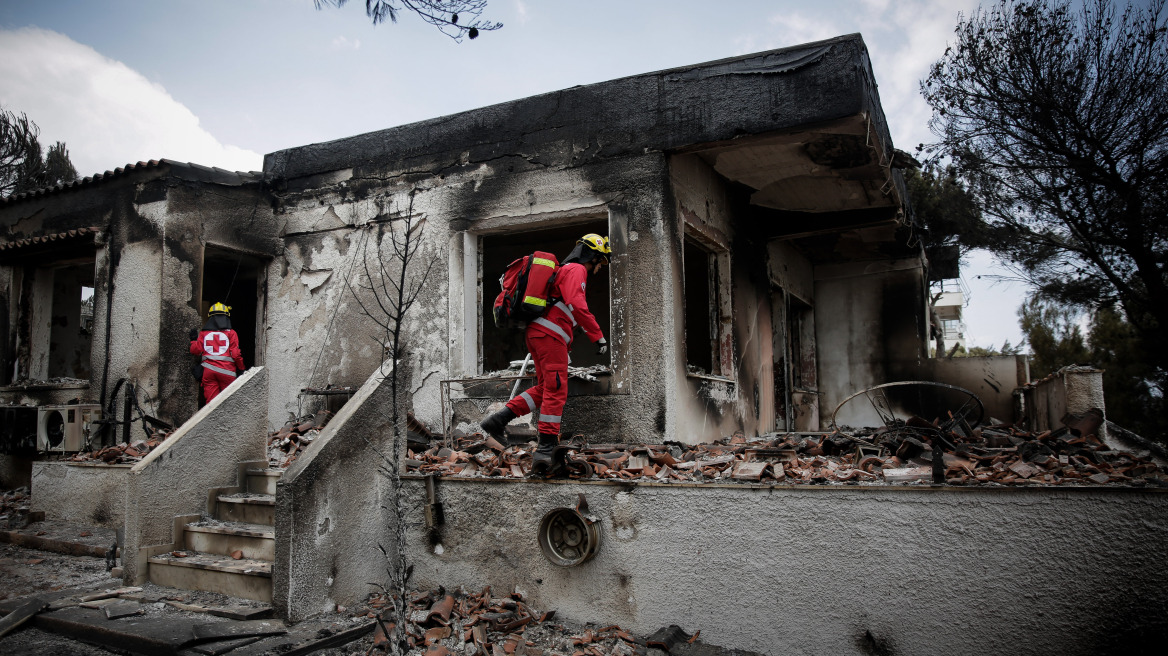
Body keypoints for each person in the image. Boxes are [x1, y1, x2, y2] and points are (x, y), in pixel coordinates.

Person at [481, 233, 611, 473]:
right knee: (557, 389)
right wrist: (598, 336)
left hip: (539, 335)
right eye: (600, 262)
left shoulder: (564, 271)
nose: (599, 269)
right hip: (550, 337)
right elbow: (577, 303)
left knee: (545, 388)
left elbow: (566, 305)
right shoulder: (576, 270)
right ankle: (546, 448)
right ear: (592, 256)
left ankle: (497, 420)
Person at [189, 302, 245, 403]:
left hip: (208, 372)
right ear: (227, 316)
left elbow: (195, 350)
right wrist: (241, 369)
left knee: (211, 404)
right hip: (227, 372)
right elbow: (236, 355)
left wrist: (193, 340)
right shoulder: (232, 333)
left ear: (210, 317)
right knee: (229, 402)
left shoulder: (204, 333)